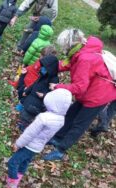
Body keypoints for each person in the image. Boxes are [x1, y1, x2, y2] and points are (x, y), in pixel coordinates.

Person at [44, 29, 116, 160]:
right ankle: (58, 137)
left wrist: (57, 86)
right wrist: (52, 66)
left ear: (70, 44)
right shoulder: (84, 48)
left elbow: (79, 87)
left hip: (98, 96)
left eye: (64, 46)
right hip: (91, 90)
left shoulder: (85, 58)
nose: (63, 49)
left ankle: (61, 149)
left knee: (80, 122)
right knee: (71, 113)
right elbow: (70, 63)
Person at [7, 89, 72, 188]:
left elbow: (30, 133)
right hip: (38, 147)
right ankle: (18, 178)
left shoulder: (44, 118)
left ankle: (12, 184)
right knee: (25, 162)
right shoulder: (61, 119)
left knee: (13, 162)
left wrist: (18, 144)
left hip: (29, 145)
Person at [19, 54, 59, 129]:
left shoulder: (54, 80)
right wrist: (27, 91)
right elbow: (35, 84)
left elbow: (52, 94)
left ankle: (24, 128)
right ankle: (21, 125)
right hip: (31, 99)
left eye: (45, 67)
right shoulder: (43, 75)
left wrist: (44, 95)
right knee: (24, 114)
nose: (42, 68)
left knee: (27, 117)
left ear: (50, 68)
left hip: (37, 104)